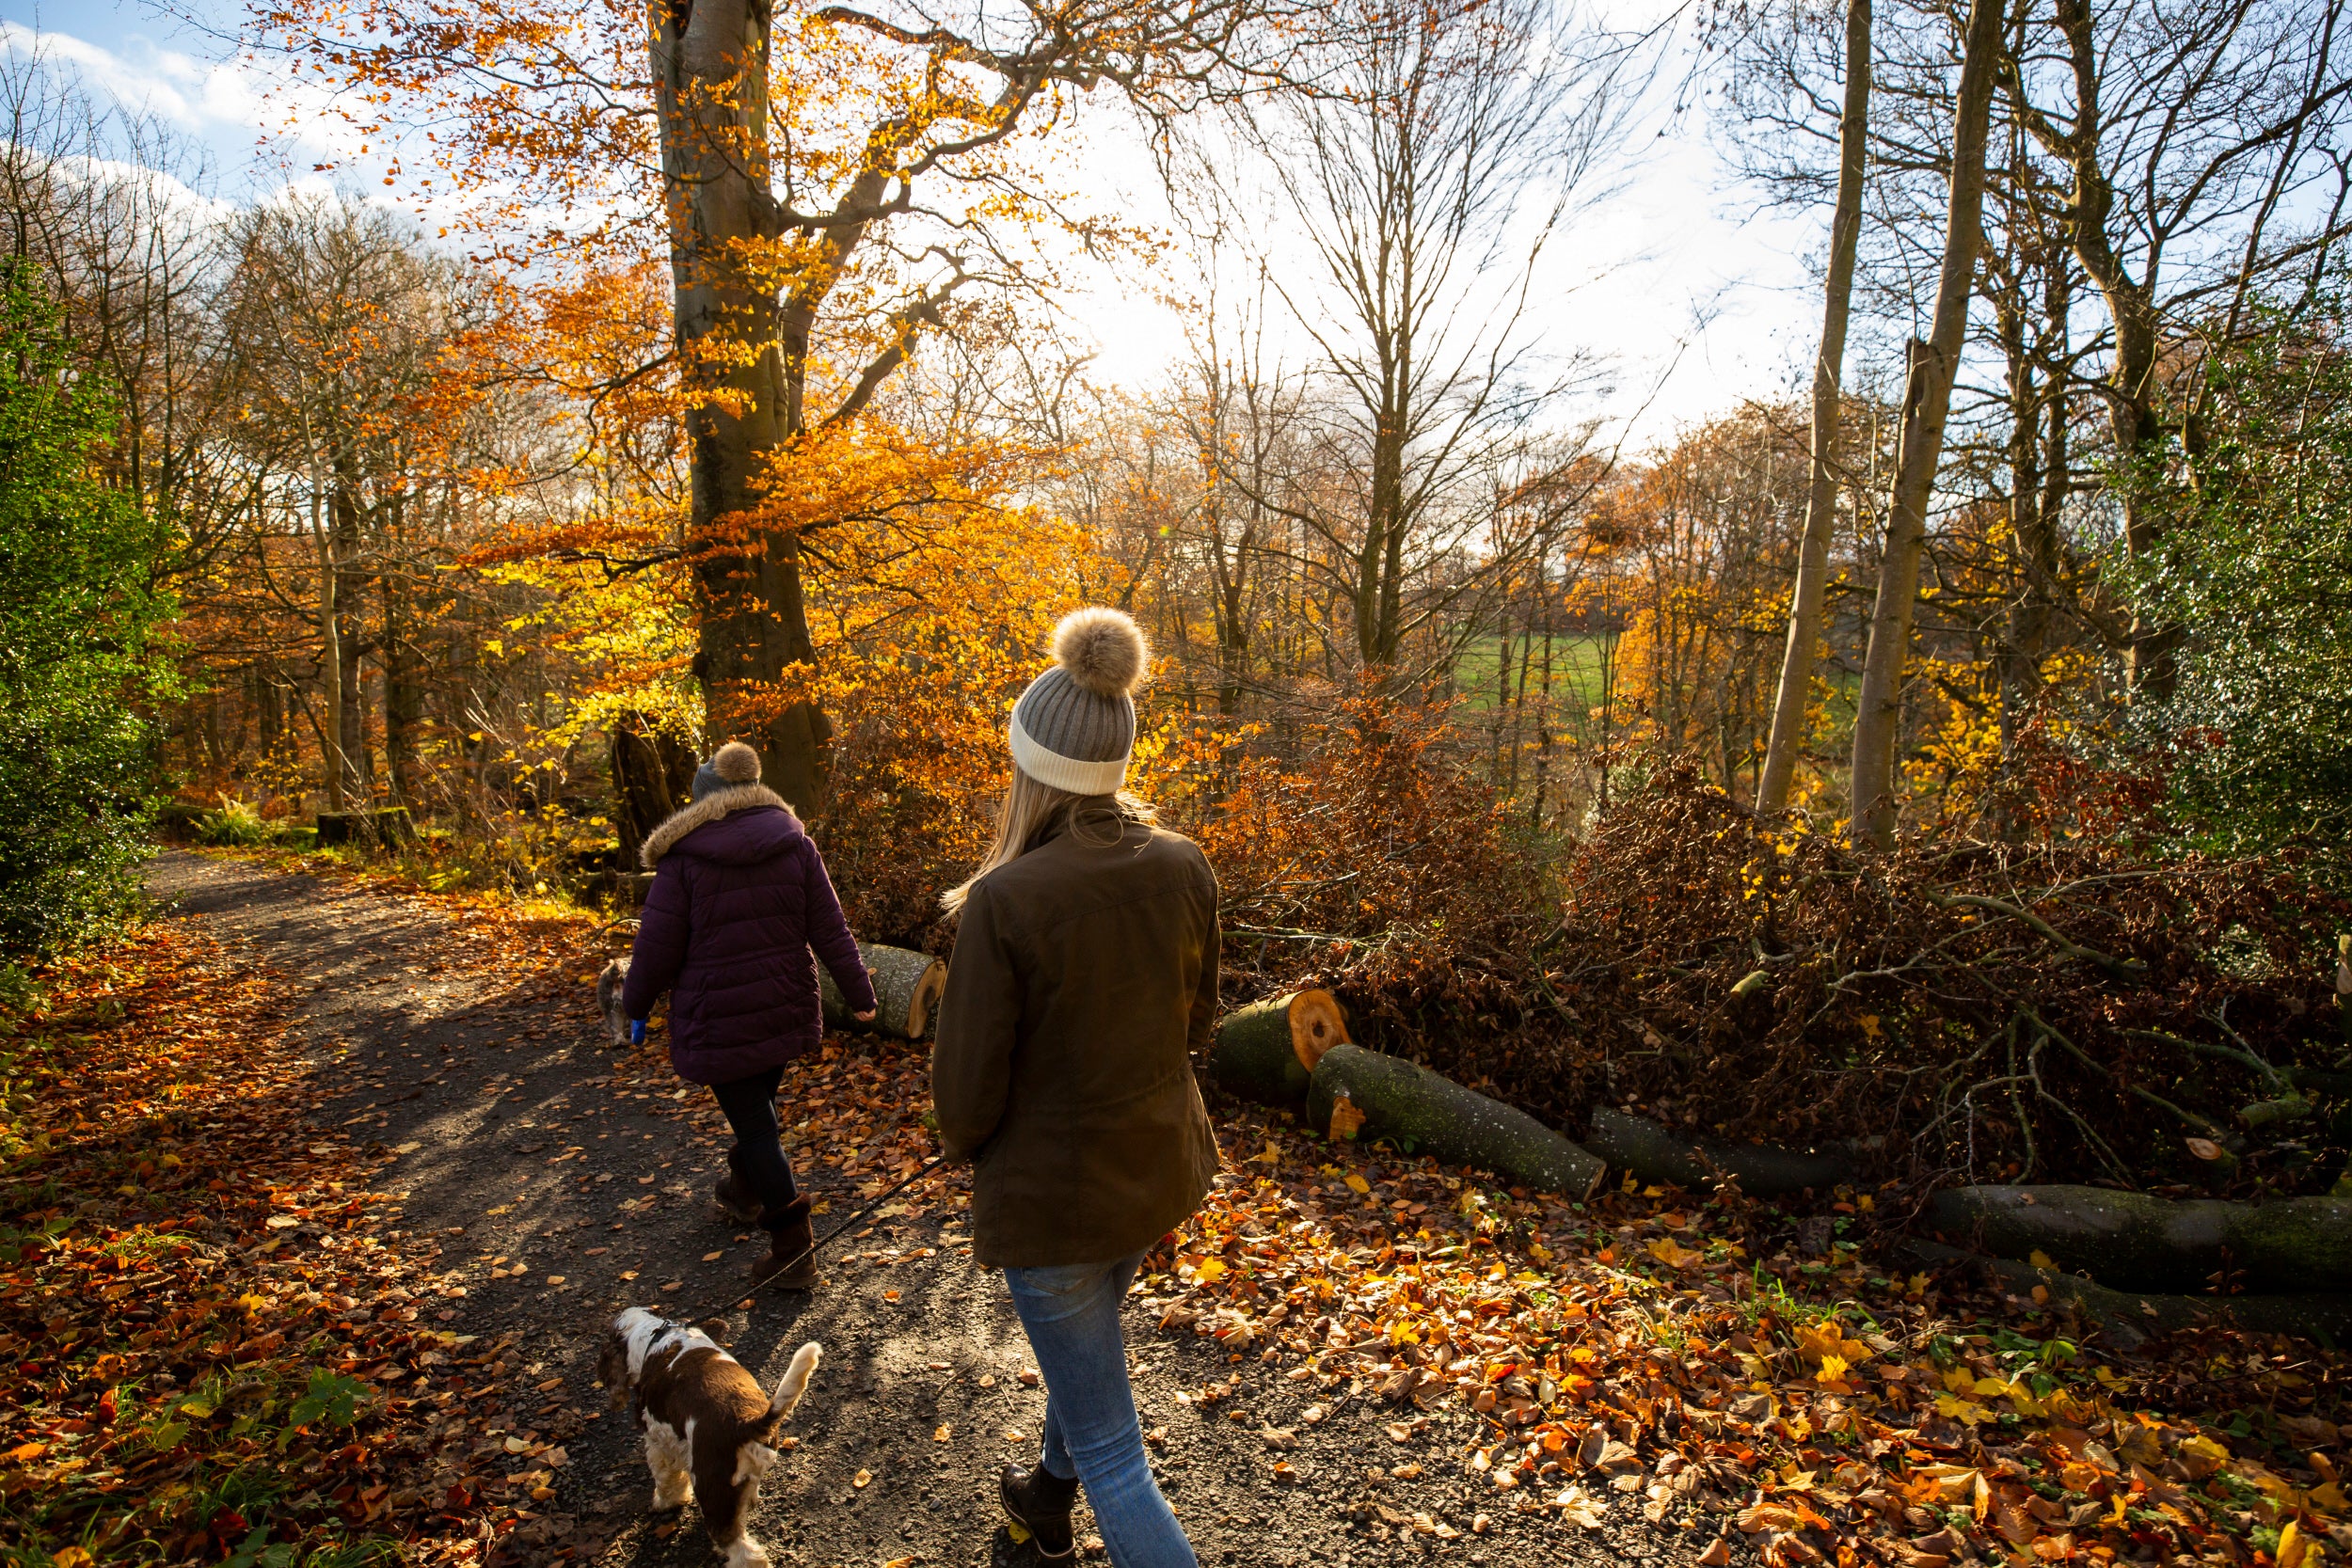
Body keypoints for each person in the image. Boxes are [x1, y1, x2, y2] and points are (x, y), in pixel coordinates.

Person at [931, 607, 1218, 1567]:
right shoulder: (1184, 864)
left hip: (1056, 1204)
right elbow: (1197, 1026)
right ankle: (1046, 1500)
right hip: (1152, 1177)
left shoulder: (1004, 899)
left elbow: (965, 1095)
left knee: (1115, 1451)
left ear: (1031, 766)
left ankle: (1073, 1482)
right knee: (1086, 1358)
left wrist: (965, 1142)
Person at [621, 740, 877, 1290]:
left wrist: (634, 1005)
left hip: (719, 1015)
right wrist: (859, 993)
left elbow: (655, 949)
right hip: (783, 1007)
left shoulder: (684, 859)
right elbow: (829, 927)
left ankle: (793, 1251)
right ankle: (743, 1191)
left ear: (703, 803)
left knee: (757, 1126)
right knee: (757, 1115)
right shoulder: (794, 845)